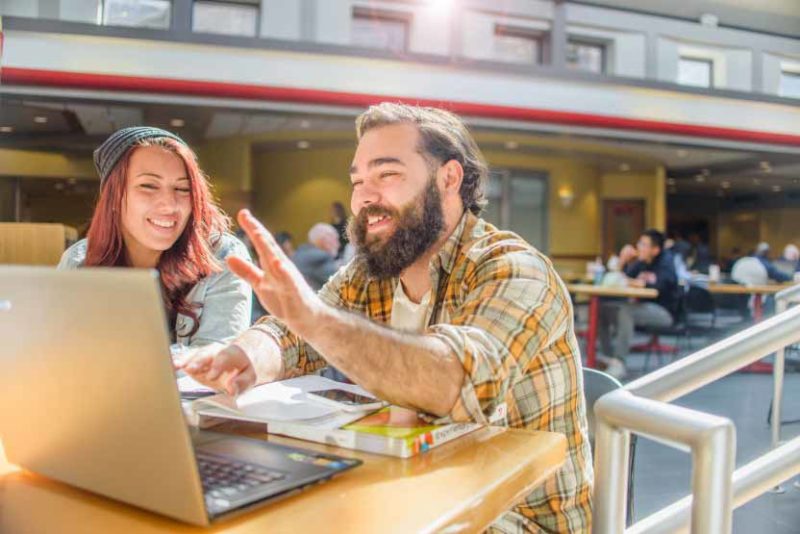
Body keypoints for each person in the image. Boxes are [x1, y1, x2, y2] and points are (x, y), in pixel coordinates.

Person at [178, 103, 592, 532]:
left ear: (449, 178)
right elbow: (293, 334)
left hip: (513, 517)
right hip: (415, 494)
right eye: (357, 181)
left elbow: (460, 379)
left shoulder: (515, 268)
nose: (364, 197)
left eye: (387, 174)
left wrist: (314, 319)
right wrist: (244, 355)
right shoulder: (373, 272)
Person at [58, 126, 252, 348]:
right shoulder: (80, 261)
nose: (169, 204)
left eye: (182, 189)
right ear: (114, 198)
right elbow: (65, 351)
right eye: (148, 186)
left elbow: (216, 359)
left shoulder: (223, 256)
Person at [599, 229, 679, 379]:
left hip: (664, 313)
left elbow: (660, 286)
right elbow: (621, 278)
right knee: (603, 310)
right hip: (642, 308)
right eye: (639, 243)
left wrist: (635, 282)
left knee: (626, 311)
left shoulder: (666, 263)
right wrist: (622, 260)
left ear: (655, 250)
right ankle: (608, 357)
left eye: (644, 244)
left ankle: (619, 362)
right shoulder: (641, 263)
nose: (638, 247)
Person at [292, 223, 341, 290]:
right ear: (324, 239)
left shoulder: (300, 253)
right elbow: (340, 282)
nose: (338, 245)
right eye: (336, 239)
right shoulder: (321, 257)